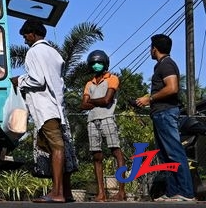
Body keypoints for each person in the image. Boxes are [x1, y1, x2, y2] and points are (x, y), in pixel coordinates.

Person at [11, 19, 78, 203]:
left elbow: (37, 80)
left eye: (26, 36)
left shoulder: (34, 52)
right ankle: (66, 191)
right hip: (57, 107)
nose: (25, 40)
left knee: (56, 148)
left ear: (32, 34)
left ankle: (56, 193)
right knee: (59, 148)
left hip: (45, 108)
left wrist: (19, 80)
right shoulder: (55, 53)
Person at [135, 34, 195, 202]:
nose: (150, 50)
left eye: (151, 47)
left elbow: (172, 88)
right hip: (160, 114)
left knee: (174, 151)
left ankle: (186, 192)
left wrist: (150, 98)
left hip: (167, 113)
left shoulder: (167, 64)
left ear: (154, 48)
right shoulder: (161, 65)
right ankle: (173, 192)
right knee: (165, 155)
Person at [80, 50, 126, 202]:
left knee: (116, 151)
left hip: (107, 117)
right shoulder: (89, 83)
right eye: (93, 63)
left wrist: (91, 102)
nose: (96, 65)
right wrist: (96, 101)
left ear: (105, 63)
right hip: (92, 120)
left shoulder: (112, 79)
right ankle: (101, 193)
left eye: (99, 62)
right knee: (96, 155)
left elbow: (107, 100)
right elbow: (83, 104)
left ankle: (121, 191)